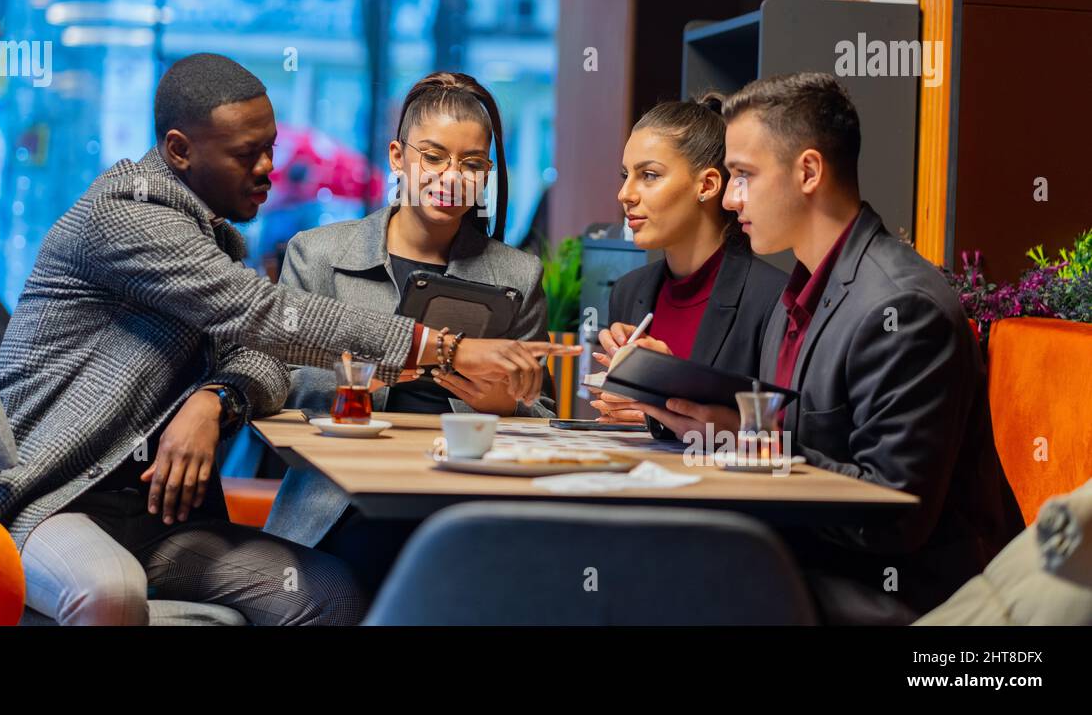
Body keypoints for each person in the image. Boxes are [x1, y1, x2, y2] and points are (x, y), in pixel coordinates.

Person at [0, 53, 576, 625]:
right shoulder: (124, 218)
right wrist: (448, 347)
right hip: (53, 498)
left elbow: (255, 354)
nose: (269, 168)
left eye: (270, 147)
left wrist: (214, 398)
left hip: (161, 518)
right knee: (109, 593)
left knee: (331, 593)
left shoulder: (215, 237)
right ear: (179, 150)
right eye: (247, 154)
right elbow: (266, 318)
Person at [602, 72, 1022, 620]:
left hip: (903, 597)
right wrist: (684, 412)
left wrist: (746, 443)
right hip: (813, 561)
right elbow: (790, 439)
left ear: (807, 172)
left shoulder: (901, 308)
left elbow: (893, 516)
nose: (730, 197)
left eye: (744, 176)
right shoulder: (799, 293)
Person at [263, 73, 553, 579]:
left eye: (472, 164)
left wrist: (507, 407)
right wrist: (358, 382)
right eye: (434, 157)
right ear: (398, 157)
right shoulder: (319, 254)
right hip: (343, 503)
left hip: (470, 502)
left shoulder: (517, 275)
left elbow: (541, 413)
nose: (452, 177)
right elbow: (280, 391)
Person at [588, 96, 786, 436]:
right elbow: (622, 423)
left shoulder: (773, 298)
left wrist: (664, 397)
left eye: (649, 175)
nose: (625, 193)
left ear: (707, 185)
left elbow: (780, 432)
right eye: (626, 175)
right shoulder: (629, 290)